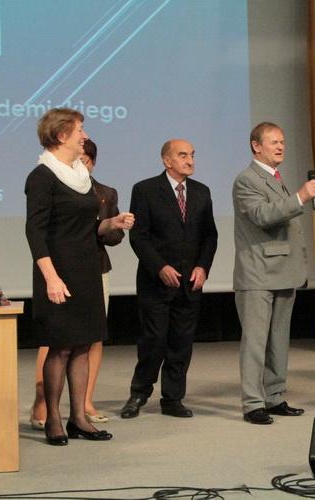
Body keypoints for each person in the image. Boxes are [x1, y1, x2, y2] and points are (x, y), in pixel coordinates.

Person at [25, 108, 133, 445]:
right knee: (60, 348)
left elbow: (86, 226)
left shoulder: (80, 174)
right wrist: (51, 278)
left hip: (87, 270)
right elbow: (35, 231)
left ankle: (79, 418)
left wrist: (111, 223)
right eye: (80, 130)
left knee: (84, 345)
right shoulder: (42, 176)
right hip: (58, 272)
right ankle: (54, 420)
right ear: (62, 135)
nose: (84, 135)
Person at [120, 139, 218, 419]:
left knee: (181, 342)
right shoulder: (145, 190)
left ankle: (173, 399)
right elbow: (139, 237)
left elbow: (210, 235)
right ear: (167, 160)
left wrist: (203, 267)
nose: (190, 160)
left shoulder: (201, 192)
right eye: (183, 155)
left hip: (190, 283)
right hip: (156, 282)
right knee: (154, 340)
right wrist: (159, 267)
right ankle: (139, 393)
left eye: (192, 155)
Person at [233, 122, 315, 425]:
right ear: (256, 146)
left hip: (284, 271)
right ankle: (252, 403)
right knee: (256, 343)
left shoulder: (275, 178)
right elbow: (263, 216)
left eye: (282, 141)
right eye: (274, 142)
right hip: (259, 273)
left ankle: (274, 396)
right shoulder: (247, 180)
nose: (281, 146)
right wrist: (299, 197)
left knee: (278, 341)